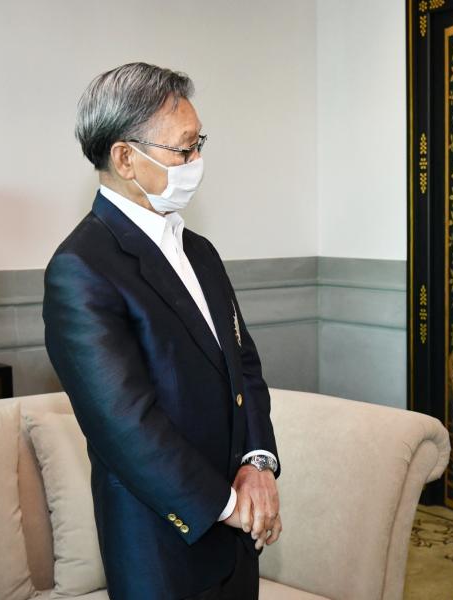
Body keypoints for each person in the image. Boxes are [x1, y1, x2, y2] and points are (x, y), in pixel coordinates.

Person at [43, 62, 281, 600]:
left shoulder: (200, 251)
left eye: (200, 144)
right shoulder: (81, 267)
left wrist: (257, 463)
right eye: (183, 148)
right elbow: (125, 423)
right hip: (161, 546)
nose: (196, 162)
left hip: (237, 538)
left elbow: (243, 367)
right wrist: (228, 505)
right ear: (125, 158)